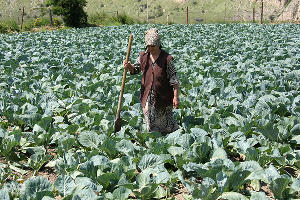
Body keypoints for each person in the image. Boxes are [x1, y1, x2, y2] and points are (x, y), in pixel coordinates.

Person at [123, 28, 180, 135]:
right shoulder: (143, 56)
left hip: (163, 95)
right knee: (150, 122)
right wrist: (129, 66)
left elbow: (174, 80)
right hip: (147, 95)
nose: (150, 48)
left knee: (166, 124)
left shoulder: (167, 59)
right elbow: (135, 69)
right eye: (148, 46)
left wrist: (175, 97)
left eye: (152, 46)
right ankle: (153, 139)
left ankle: (169, 137)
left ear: (158, 44)